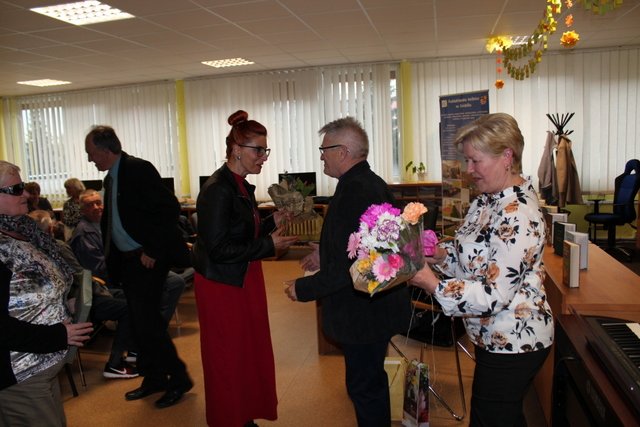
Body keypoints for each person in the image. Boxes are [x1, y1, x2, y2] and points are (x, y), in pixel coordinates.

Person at [409, 113, 554, 426]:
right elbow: (475, 262)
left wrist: (433, 284)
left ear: (507, 156)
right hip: (493, 336)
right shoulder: (487, 200)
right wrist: (441, 255)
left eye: (475, 160)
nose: (469, 169)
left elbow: (493, 293)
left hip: (514, 339)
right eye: (467, 160)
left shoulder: (518, 214)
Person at [284, 117, 412, 427]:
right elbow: (360, 246)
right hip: (375, 308)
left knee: (365, 388)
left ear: (342, 152)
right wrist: (324, 252)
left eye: (324, 150)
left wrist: (303, 289)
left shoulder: (355, 191)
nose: (321, 156)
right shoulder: (367, 183)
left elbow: (350, 268)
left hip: (364, 314)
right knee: (369, 383)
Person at [191, 110, 298, 427]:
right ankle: (229, 419)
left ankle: (243, 414)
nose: (264, 157)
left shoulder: (239, 184)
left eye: (266, 150)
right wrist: (269, 246)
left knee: (247, 352)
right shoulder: (217, 189)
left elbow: (240, 230)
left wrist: (271, 221)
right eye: (258, 150)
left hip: (242, 276)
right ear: (237, 150)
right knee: (227, 356)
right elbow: (218, 249)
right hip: (222, 285)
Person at [85, 125, 192, 408]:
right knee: (141, 324)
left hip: (147, 259)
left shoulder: (137, 169)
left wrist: (153, 249)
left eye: (91, 152)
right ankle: (154, 378)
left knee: (149, 325)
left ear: (105, 149)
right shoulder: (111, 177)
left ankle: (178, 379)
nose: (89, 158)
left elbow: (168, 209)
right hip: (128, 263)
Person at [0, 160, 93, 426]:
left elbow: (28, 289)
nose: (26, 194)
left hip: (45, 365)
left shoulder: (23, 232)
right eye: (16, 189)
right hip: (20, 374)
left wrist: (63, 303)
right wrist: (58, 335)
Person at [29, 209, 139, 380]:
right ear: (50, 229)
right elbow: (81, 276)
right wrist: (103, 292)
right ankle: (115, 363)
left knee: (128, 298)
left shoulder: (27, 250)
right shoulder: (58, 247)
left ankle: (132, 348)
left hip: (55, 307)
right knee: (129, 307)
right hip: (76, 301)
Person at [69, 189, 186, 326]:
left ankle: (154, 327)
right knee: (169, 285)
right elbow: (99, 269)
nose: (96, 207)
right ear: (82, 211)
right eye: (89, 205)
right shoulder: (84, 234)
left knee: (175, 281)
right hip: (111, 281)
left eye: (98, 203)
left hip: (129, 268)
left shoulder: (108, 223)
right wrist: (132, 267)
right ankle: (152, 327)